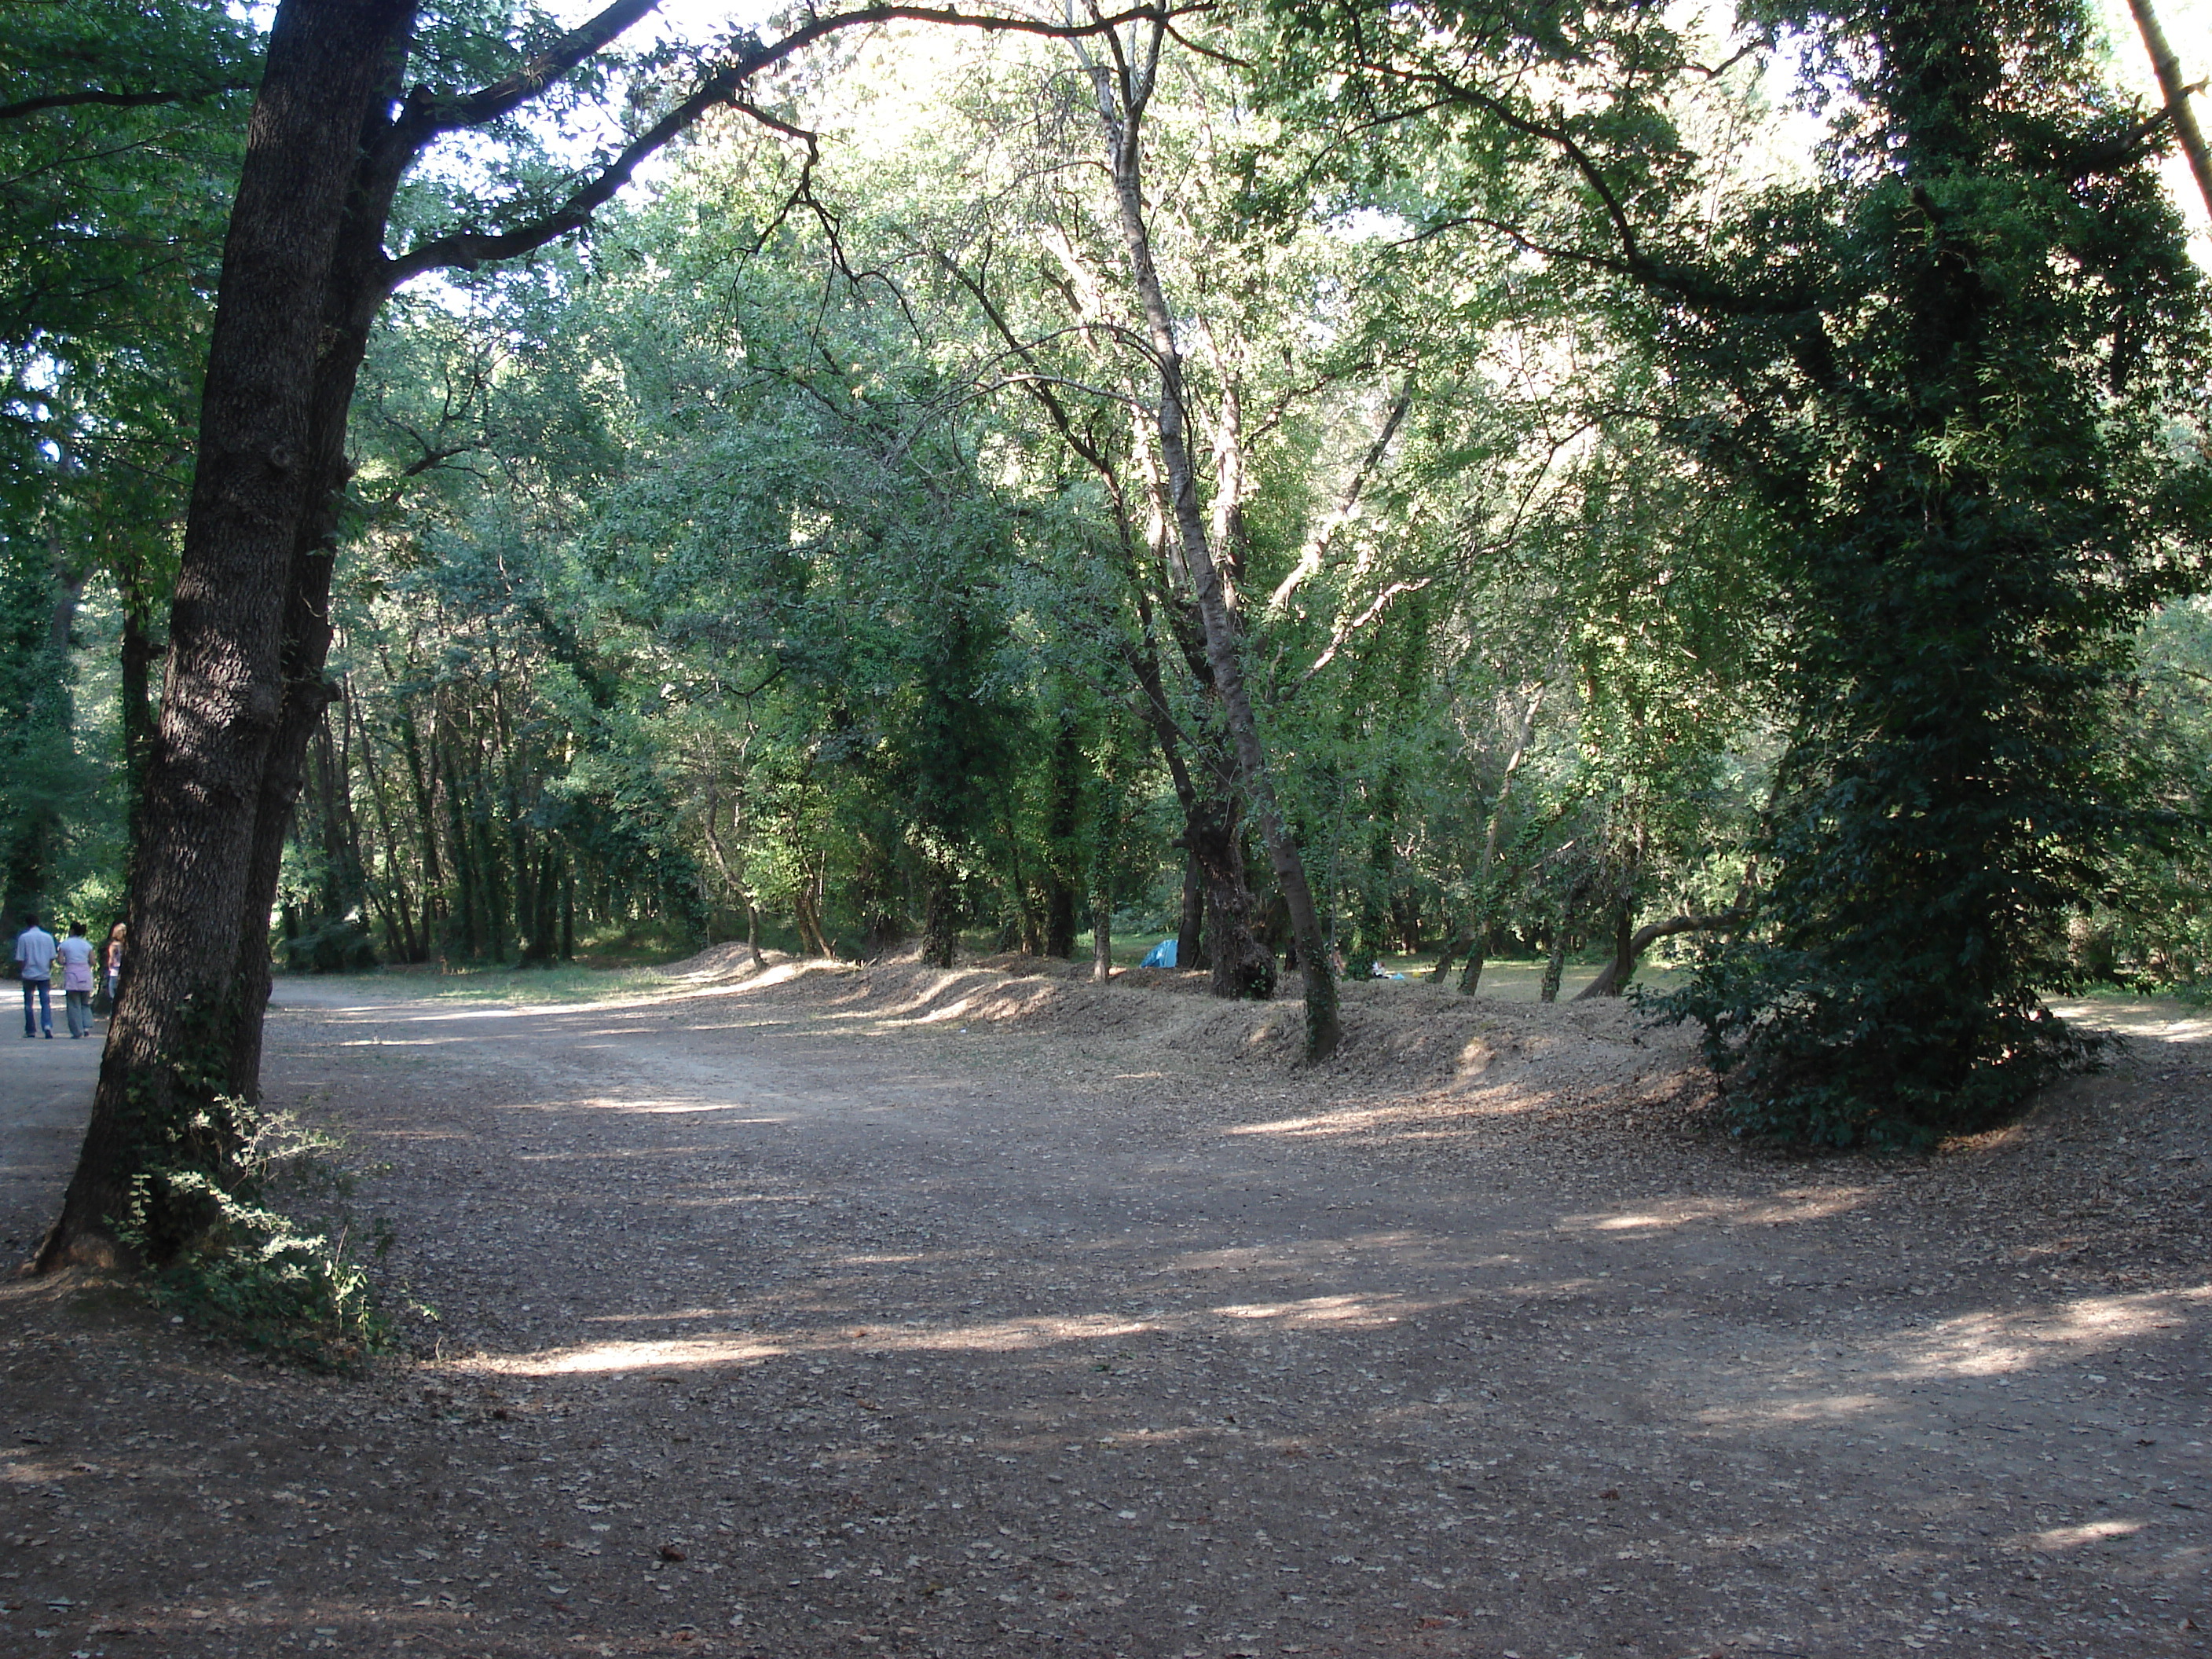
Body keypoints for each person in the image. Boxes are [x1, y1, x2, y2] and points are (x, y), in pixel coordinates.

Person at [14, 914, 55, 1038]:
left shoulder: (24, 938)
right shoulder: (48, 937)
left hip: (29, 973)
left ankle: (31, 1030)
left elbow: (20, 958)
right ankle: (47, 1026)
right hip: (44, 974)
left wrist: (22, 970)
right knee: (45, 1002)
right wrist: (47, 968)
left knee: (28, 1004)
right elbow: (51, 957)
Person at [57, 921, 96, 1038]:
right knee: (85, 1003)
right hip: (85, 974)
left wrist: (67, 962)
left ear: (71, 930)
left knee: (74, 1004)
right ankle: (86, 1027)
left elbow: (60, 961)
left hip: (72, 974)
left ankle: (77, 1031)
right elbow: (93, 961)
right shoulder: (87, 945)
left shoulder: (64, 944)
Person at [104, 921, 124, 1007]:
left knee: (113, 994)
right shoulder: (125, 946)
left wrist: (109, 966)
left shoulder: (113, 946)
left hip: (115, 972)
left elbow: (111, 960)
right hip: (125, 972)